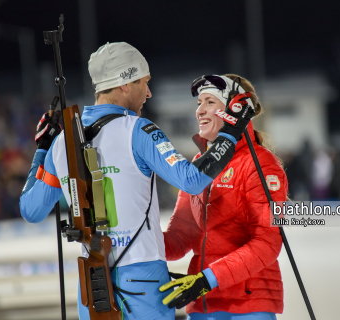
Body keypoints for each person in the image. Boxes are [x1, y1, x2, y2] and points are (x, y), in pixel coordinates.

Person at [19, 44, 253, 320]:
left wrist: (43, 150)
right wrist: (231, 132)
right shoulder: (140, 130)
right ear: (125, 84)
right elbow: (192, 181)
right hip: (143, 280)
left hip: (93, 285)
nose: (149, 92)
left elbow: (30, 210)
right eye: (144, 82)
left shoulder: (62, 142)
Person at [160, 74, 288, 320]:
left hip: (249, 302)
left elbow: (267, 243)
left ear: (235, 110)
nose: (199, 111)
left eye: (209, 102)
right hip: (204, 301)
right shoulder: (198, 166)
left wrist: (209, 278)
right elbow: (180, 237)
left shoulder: (260, 164)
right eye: (199, 103)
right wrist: (135, 237)